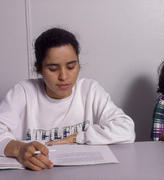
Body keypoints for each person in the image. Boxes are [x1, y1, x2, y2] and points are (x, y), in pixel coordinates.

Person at [0, 28, 135, 170]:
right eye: (53, 69)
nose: (63, 76)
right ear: (38, 68)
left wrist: (77, 137)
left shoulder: (89, 90)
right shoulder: (23, 92)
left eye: (71, 66)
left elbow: (126, 129)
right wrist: (18, 149)